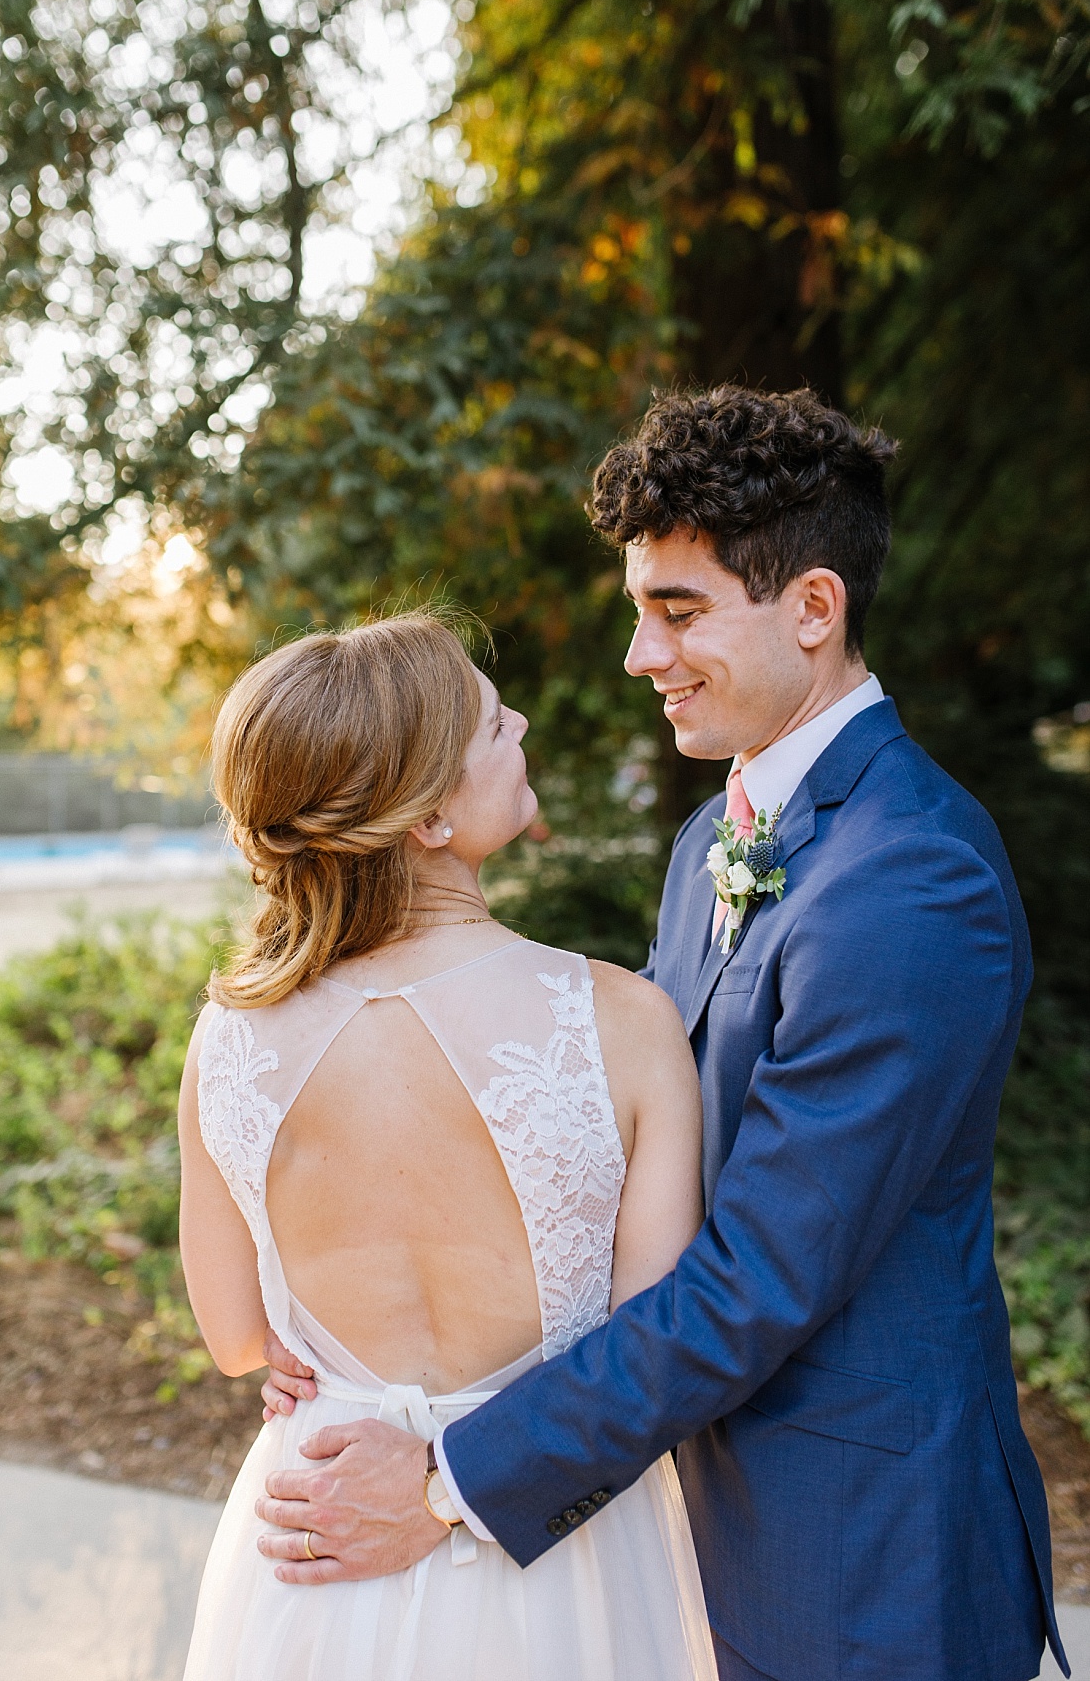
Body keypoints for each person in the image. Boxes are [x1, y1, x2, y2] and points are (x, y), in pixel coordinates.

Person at [252, 388, 1065, 1681]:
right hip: (681, 1526)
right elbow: (608, 1152)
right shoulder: (714, 842)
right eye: (639, 607)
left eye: (677, 610)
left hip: (856, 1560)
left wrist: (447, 1473)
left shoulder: (914, 879)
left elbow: (758, 1279)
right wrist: (377, 1352)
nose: (640, 653)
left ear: (814, 605)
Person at [178, 610, 718, 1678]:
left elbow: (239, 1336)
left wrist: (331, 1364)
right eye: (485, 723)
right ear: (425, 816)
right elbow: (652, 1350)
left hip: (314, 1525)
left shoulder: (227, 1036)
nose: (516, 719)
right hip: (556, 1543)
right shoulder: (621, 1019)